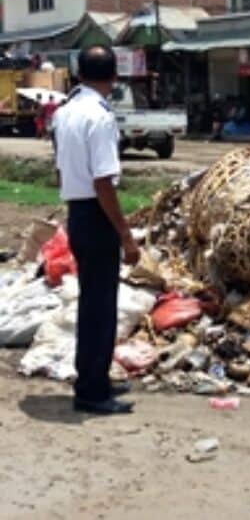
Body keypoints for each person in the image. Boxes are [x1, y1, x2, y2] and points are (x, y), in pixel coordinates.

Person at [53, 45, 140, 415]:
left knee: (93, 304)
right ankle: (91, 391)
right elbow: (104, 182)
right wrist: (125, 234)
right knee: (100, 308)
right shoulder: (100, 117)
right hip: (97, 215)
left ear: (78, 73)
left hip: (78, 213)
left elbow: (60, 169)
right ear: (115, 78)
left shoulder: (64, 112)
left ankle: (95, 380)